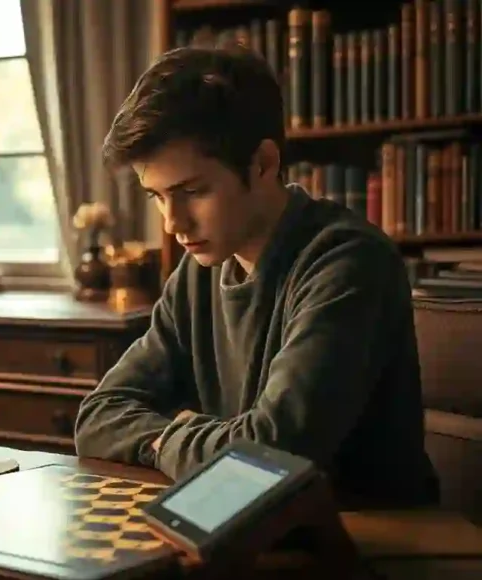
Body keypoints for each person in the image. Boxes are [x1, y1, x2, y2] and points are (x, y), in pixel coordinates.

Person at [74, 44, 439, 508]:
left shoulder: (347, 262)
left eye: (192, 191)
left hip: (364, 542)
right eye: (157, 197)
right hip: (246, 524)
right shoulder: (197, 271)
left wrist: (170, 440)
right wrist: (185, 442)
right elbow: (98, 417)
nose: (173, 223)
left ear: (263, 164)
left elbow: (274, 452)